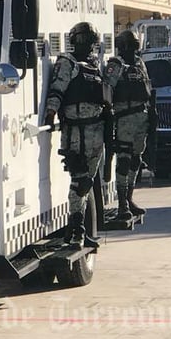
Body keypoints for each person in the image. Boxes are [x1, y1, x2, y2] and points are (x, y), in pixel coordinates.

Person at [44, 22, 107, 250]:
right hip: (75, 134)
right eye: (86, 40)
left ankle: (79, 228)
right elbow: (57, 90)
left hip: (96, 133)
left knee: (87, 182)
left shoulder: (93, 66)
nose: (88, 45)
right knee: (80, 182)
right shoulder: (67, 63)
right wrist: (51, 113)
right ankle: (77, 230)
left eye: (91, 40)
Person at [104, 30, 153, 221]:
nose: (133, 49)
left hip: (141, 117)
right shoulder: (116, 65)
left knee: (136, 160)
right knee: (123, 160)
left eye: (134, 45)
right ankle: (122, 202)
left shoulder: (139, 63)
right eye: (130, 45)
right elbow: (107, 89)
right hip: (124, 118)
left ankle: (130, 198)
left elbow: (147, 87)